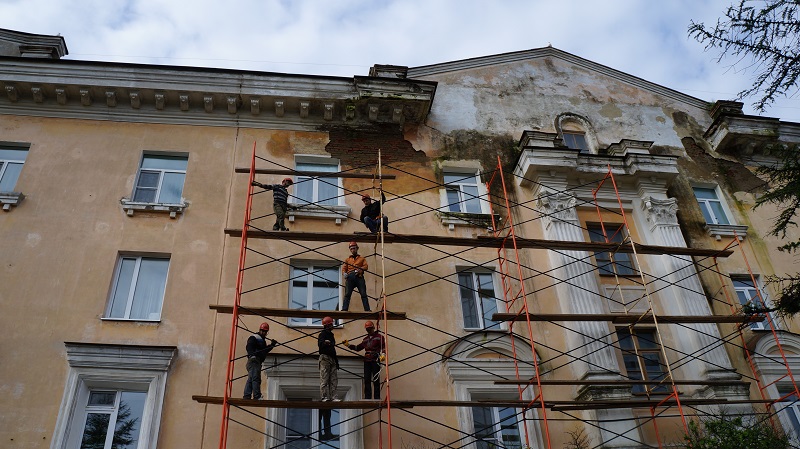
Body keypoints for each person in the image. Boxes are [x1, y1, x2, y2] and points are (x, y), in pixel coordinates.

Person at [344, 321, 386, 400]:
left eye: (370, 329)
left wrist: (383, 354)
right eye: (367, 329)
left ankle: (376, 397)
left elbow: (383, 346)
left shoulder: (379, 337)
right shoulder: (365, 339)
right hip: (367, 360)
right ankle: (368, 397)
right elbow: (358, 348)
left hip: (375, 359)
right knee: (367, 379)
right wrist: (348, 345)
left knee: (376, 379)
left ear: (373, 328)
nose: (368, 331)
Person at [243, 322, 277, 400]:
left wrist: (272, 345)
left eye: (265, 331)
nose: (264, 333)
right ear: (260, 330)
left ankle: (247, 395)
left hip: (255, 361)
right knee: (255, 378)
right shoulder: (254, 337)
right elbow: (249, 346)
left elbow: (264, 351)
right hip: (254, 361)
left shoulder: (262, 341)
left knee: (251, 379)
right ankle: (257, 396)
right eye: (262, 331)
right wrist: (252, 355)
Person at [318, 316, 339, 441]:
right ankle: (325, 397)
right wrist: (325, 343)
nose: (332, 326)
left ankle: (333, 397)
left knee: (333, 380)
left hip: (331, 359)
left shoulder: (331, 335)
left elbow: (334, 349)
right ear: (327, 325)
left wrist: (337, 362)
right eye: (330, 324)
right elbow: (320, 347)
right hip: (325, 358)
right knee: (325, 379)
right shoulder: (322, 334)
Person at [341, 241, 370, 312]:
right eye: (351, 249)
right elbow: (344, 268)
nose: (353, 250)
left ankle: (367, 309)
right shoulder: (347, 260)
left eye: (354, 248)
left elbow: (365, 266)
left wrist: (359, 270)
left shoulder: (362, 259)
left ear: (357, 248)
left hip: (359, 276)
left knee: (363, 294)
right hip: (350, 277)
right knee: (347, 294)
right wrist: (344, 273)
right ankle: (344, 309)